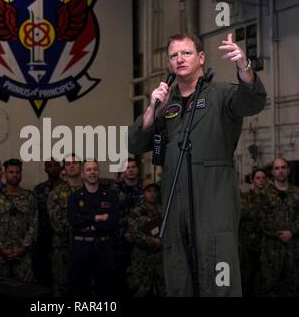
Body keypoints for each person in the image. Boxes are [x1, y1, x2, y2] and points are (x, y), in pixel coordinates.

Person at [128, 32, 267, 296]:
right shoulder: (168, 105)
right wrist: (152, 108)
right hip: (174, 201)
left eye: (186, 53)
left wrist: (243, 66)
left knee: (218, 274)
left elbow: (252, 101)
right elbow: (135, 144)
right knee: (179, 276)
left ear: (201, 58)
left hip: (213, 201)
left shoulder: (222, 94)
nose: (179, 59)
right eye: (173, 55)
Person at [67, 160, 119, 297]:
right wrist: (96, 218)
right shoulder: (75, 197)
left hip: (103, 246)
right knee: (80, 288)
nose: (92, 172)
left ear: (99, 172)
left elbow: (113, 221)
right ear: (83, 174)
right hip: (81, 247)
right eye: (88, 170)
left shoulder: (110, 196)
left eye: (95, 169)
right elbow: (74, 220)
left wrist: (87, 224)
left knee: (106, 288)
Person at [0, 159, 38, 283]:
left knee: (24, 290)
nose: (14, 175)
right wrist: (1, 248)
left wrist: (23, 248)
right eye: (11, 172)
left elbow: (33, 225)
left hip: (23, 254)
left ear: (21, 174)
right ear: (5, 174)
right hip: (0, 254)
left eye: (17, 172)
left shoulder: (29, 198)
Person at [259, 158, 299, 297]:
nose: (280, 171)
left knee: (293, 289)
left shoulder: (297, 193)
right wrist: (279, 234)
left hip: (294, 251)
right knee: (270, 290)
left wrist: (292, 232)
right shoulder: (264, 195)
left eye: (283, 167)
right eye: (277, 168)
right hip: (271, 251)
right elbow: (261, 221)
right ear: (272, 172)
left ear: (288, 170)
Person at [47, 155, 83, 296]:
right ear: (64, 169)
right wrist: (83, 226)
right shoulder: (55, 194)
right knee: (62, 287)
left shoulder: (89, 190)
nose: (72, 166)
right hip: (63, 248)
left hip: (87, 248)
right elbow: (58, 224)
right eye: (68, 164)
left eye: (75, 163)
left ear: (80, 166)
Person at [126, 179, 165, 297]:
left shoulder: (163, 211)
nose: (152, 194)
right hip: (142, 261)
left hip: (160, 261)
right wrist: (153, 241)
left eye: (154, 191)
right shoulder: (136, 212)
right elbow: (134, 233)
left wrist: (162, 241)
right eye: (149, 191)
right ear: (143, 193)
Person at [112, 158, 143, 296]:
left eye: (133, 167)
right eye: (127, 167)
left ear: (138, 170)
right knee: (121, 275)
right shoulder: (115, 190)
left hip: (143, 239)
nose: (130, 169)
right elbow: (112, 215)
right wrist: (125, 232)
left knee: (142, 275)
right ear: (123, 172)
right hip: (122, 239)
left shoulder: (144, 188)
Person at [32, 159, 62, 287]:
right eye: (50, 166)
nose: (53, 168)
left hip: (61, 235)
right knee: (43, 271)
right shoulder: (39, 189)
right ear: (45, 169)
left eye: (56, 165)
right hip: (43, 235)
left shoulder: (66, 187)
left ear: (60, 168)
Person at [239, 168, 267, 297]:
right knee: (247, 280)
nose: (261, 181)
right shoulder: (245, 198)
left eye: (263, 178)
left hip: (265, 246)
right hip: (247, 246)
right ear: (252, 180)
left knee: (264, 281)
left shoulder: (269, 199)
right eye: (258, 178)